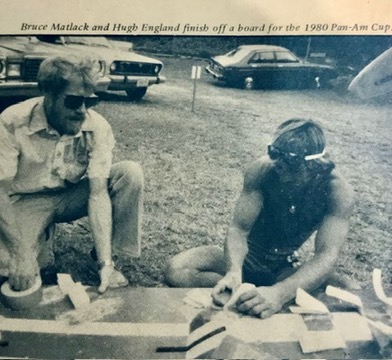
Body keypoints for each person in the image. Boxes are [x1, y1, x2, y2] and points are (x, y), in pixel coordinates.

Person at [165, 119, 354, 318]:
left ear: (315, 165)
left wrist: (279, 293)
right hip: (248, 258)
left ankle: (262, 296)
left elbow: (327, 255)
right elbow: (239, 229)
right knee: (177, 269)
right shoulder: (263, 170)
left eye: (292, 167)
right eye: (277, 161)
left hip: (284, 268)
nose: (281, 172)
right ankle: (248, 293)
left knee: (348, 291)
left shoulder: (338, 191)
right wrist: (233, 271)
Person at [0, 54, 143, 294]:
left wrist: (105, 263)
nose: (83, 111)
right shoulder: (11, 121)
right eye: (74, 101)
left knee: (129, 173)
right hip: (25, 201)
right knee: (9, 268)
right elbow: (0, 192)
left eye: (91, 101)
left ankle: (106, 256)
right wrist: (20, 251)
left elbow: (97, 194)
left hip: (70, 196)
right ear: (49, 94)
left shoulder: (97, 126)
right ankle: (40, 244)